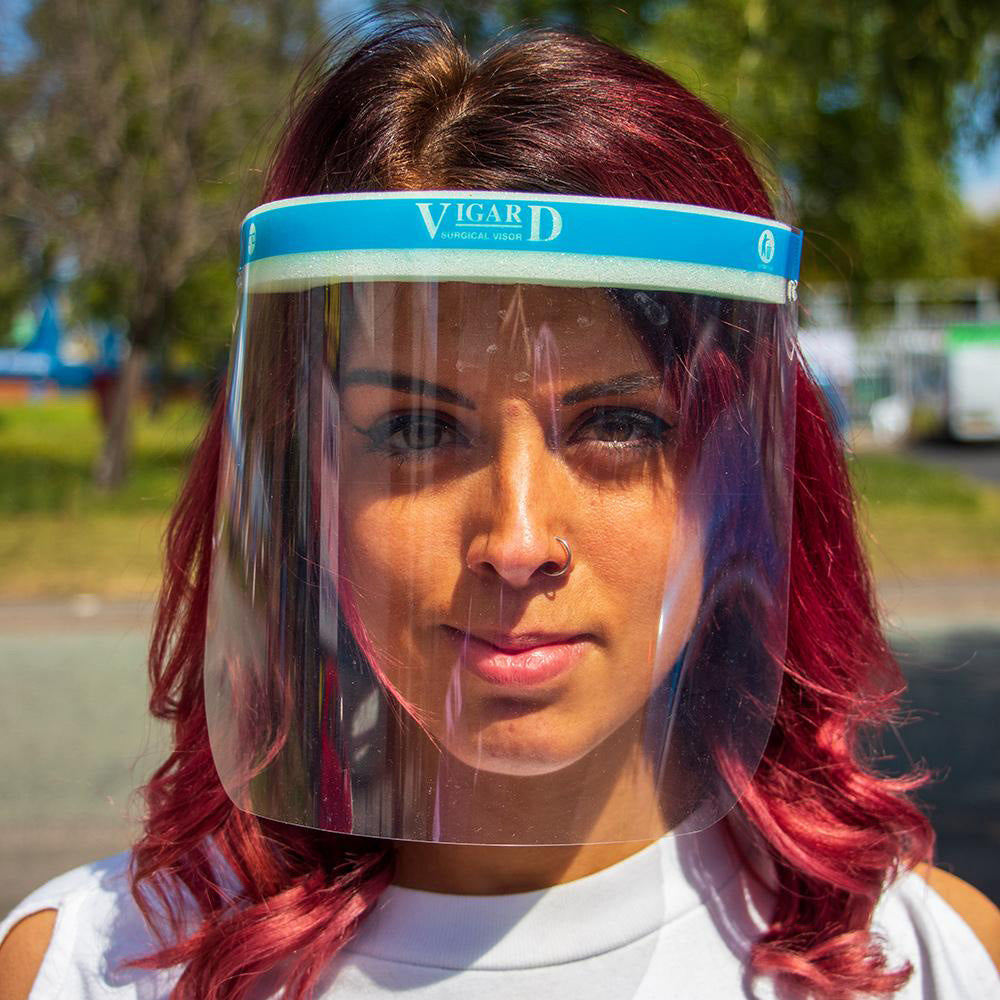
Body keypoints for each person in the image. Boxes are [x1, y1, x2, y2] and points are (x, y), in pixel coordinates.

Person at [2, 15, 998, 1000]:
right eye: (415, 431)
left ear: (732, 484)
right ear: (312, 487)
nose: (518, 543)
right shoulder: (93, 967)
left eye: (619, 424)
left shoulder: (925, 962)